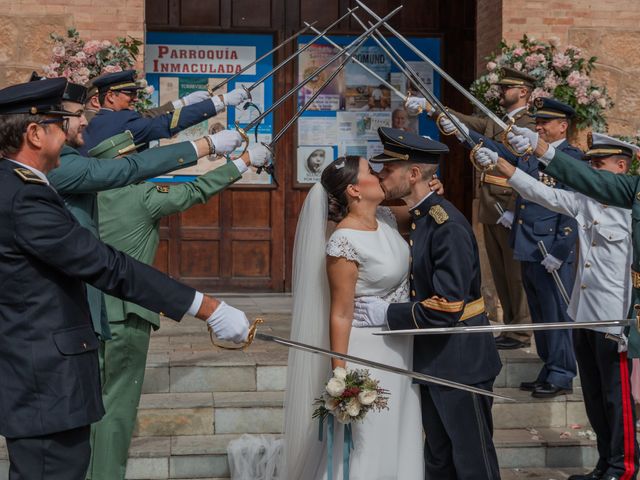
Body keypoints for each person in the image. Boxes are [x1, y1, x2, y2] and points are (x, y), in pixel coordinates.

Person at [0, 77, 250, 479]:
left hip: (39, 384)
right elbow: (103, 264)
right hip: (44, 385)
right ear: (33, 133)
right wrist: (205, 306)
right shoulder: (23, 194)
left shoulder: (17, 187)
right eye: (60, 121)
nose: (72, 128)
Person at [83, 131, 270, 480]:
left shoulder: (82, 195)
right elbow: (195, 191)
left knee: (88, 404)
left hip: (84, 314)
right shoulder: (139, 195)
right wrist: (244, 162)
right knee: (117, 409)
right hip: (126, 315)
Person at [475, 131, 637, 480]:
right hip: (583, 313)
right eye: (590, 163)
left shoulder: (631, 210)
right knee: (594, 398)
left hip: (615, 320)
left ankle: (622, 468)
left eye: (599, 164)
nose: (591, 169)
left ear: (622, 167)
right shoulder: (586, 200)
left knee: (616, 400)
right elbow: (542, 194)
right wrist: (503, 165)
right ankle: (603, 463)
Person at [43, 79, 259, 340]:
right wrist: (216, 144)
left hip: (86, 309)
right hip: (105, 313)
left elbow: (148, 119)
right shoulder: (72, 165)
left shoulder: (76, 165)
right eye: (77, 114)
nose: (86, 121)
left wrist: (185, 104)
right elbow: (149, 150)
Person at [354, 127, 502, 479]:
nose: (381, 176)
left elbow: (448, 307)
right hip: (438, 360)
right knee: (439, 457)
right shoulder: (424, 218)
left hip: (461, 361)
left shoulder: (445, 224)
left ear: (414, 174)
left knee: (472, 461)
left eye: (388, 170)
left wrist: (386, 313)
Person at [278, 154, 424, 479]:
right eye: (371, 171)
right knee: (369, 441)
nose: (379, 175)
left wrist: (425, 183)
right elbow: (341, 313)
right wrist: (340, 376)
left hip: (401, 347)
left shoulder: (386, 216)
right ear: (355, 190)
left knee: (399, 431)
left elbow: (422, 208)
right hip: (368, 352)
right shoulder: (343, 241)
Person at [440, 97, 581, 398]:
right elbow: (500, 152)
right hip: (528, 246)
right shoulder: (530, 156)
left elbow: (574, 210)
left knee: (557, 313)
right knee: (541, 313)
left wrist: (560, 250)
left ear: (563, 126)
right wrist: (462, 131)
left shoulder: (571, 158)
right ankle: (549, 366)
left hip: (552, 251)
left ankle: (562, 372)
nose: (539, 127)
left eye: (545, 123)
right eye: (538, 122)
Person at [405, 66, 534, 350]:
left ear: (523, 92)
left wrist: (519, 208)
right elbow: (465, 123)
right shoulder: (495, 121)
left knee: (516, 274)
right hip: (492, 205)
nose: (501, 91)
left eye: (507, 88)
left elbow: (525, 168)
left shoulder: (530, 125)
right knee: (500, 271)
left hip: (513, 207)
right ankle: (511, 327)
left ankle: (522, 329)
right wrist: (431, 108)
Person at [81, 69, 249, 154]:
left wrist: (184, 102)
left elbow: (145, 118)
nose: (135, 98)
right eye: (130, 94)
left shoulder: (104, 119)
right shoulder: (118, 120)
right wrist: (220, 101)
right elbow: (164, 123)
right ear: (109, 96)